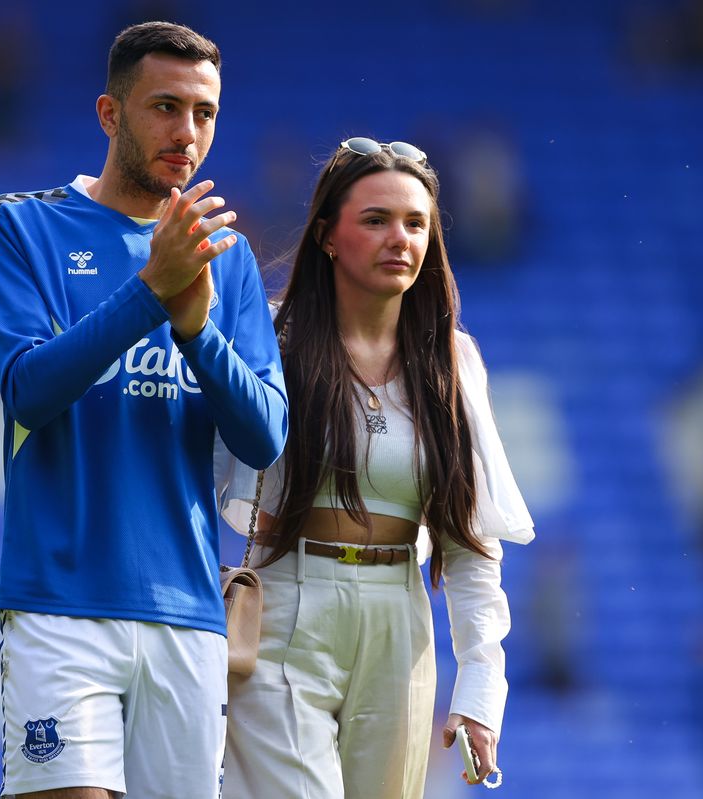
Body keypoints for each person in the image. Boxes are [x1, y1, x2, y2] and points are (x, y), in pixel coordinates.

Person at [0, 21, 287, 799]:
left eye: (205, 113)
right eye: (165, 107)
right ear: (110, 114)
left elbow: (265, 434)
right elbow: (28, 391)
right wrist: (151, 291)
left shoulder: (229, 258)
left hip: (187, 611)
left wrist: (195, 328)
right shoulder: (19, 227)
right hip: (61, 604)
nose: (188, 133)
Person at [217, 138, 534, 797]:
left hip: (401, 620)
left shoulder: (454, 361)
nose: (400, 238)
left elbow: (471, 546)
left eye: (416, 223)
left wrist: (480, 685)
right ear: (328, 235)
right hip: (283, 606)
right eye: (376, 220)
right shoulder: (268, 337)